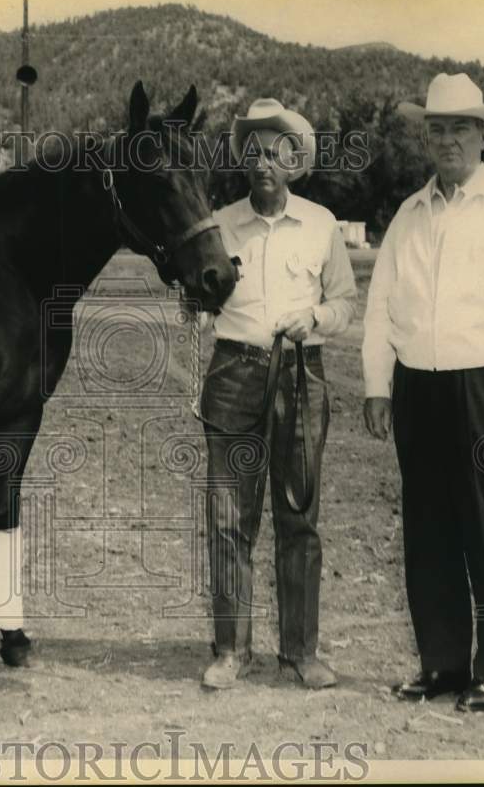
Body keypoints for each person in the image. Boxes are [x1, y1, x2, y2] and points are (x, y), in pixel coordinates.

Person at [362, 73, 484, 712]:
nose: (448, 140)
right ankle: (442, 665)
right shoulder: (410, 213)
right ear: (427, 137)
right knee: (428, 530)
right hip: (418, 387)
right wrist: (378, 386)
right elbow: (379, 307)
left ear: (483, 134)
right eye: (437, 128)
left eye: (459, 128)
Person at [199, 98, 357, 690]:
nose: (263, 161)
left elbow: (345, 301)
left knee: (299, 517)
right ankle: (229, 651)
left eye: (276, 151)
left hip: (300, 375)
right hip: (234, 375)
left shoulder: (321, 225)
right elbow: (195, 294)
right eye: (253, 151)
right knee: (227, 517)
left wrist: (313, 318)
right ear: (243, 160)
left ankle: (300, 652)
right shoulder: (218, 223)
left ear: (294, 161)